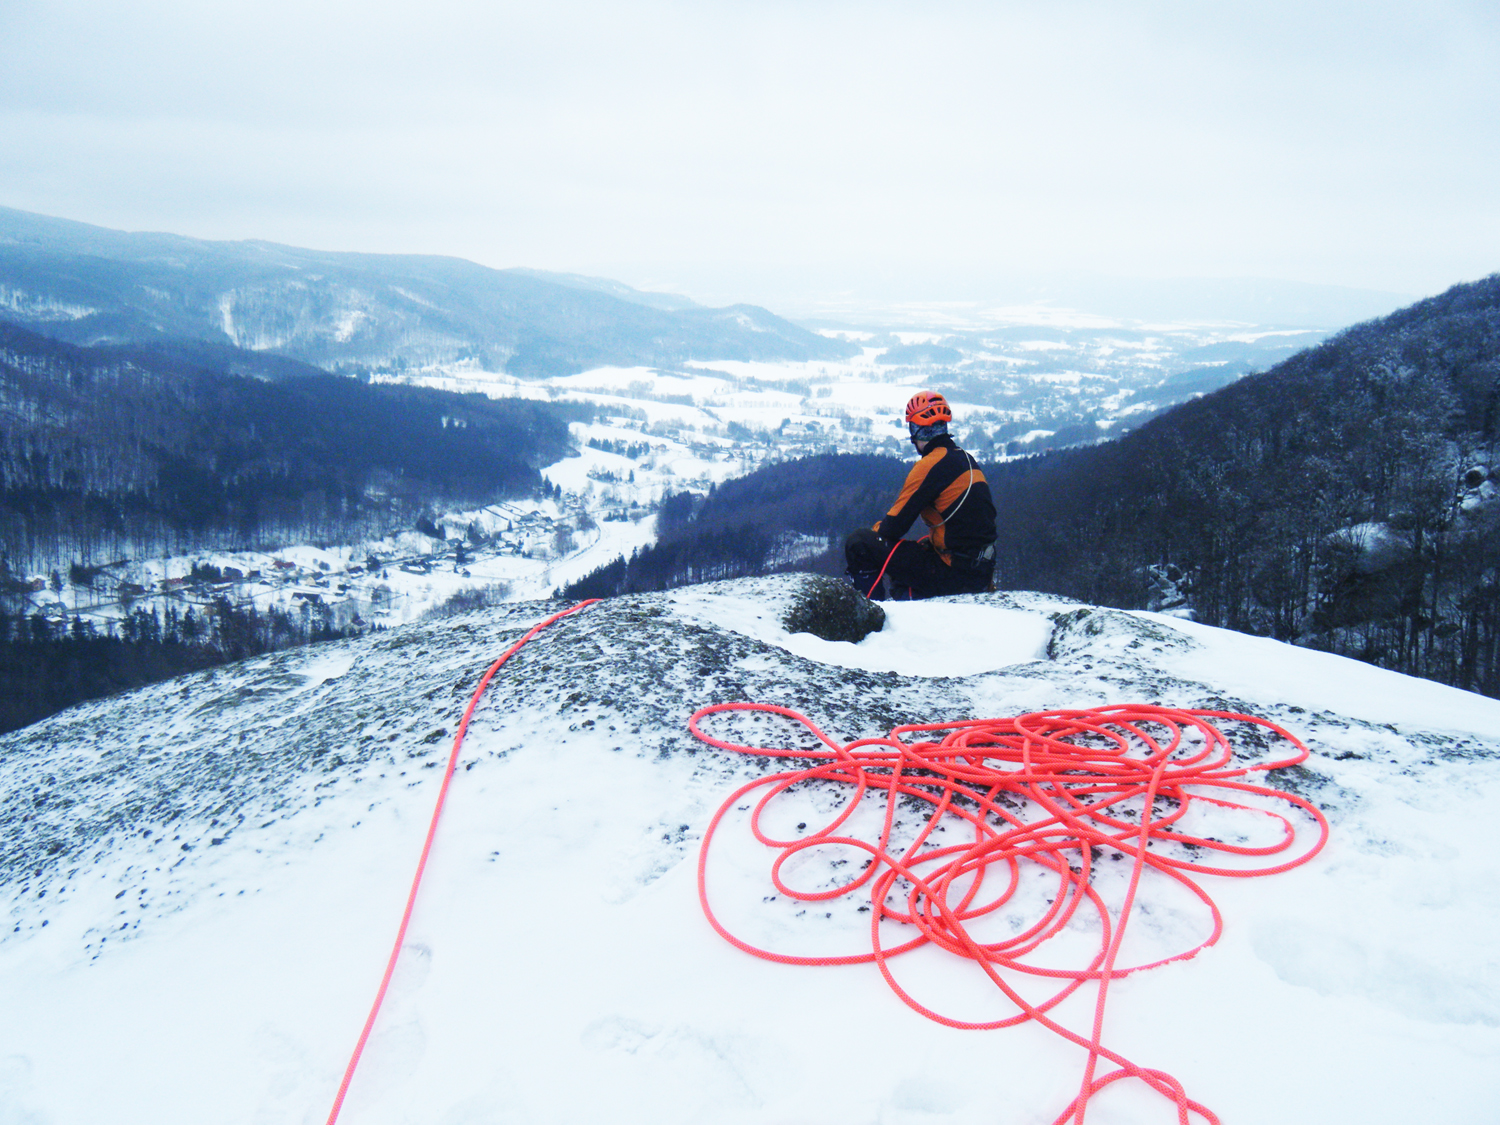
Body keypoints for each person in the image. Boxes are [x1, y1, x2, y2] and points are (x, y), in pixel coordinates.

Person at [845, 391, 996, 600]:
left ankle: (869, 613)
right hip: (979, 570)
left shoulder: (929, 465)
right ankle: (908, 595)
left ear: (917, 430)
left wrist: (875, 534)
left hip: (955, 572)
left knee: (859, 543)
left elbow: (893, 527)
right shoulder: (965, 458)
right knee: (918, 551)